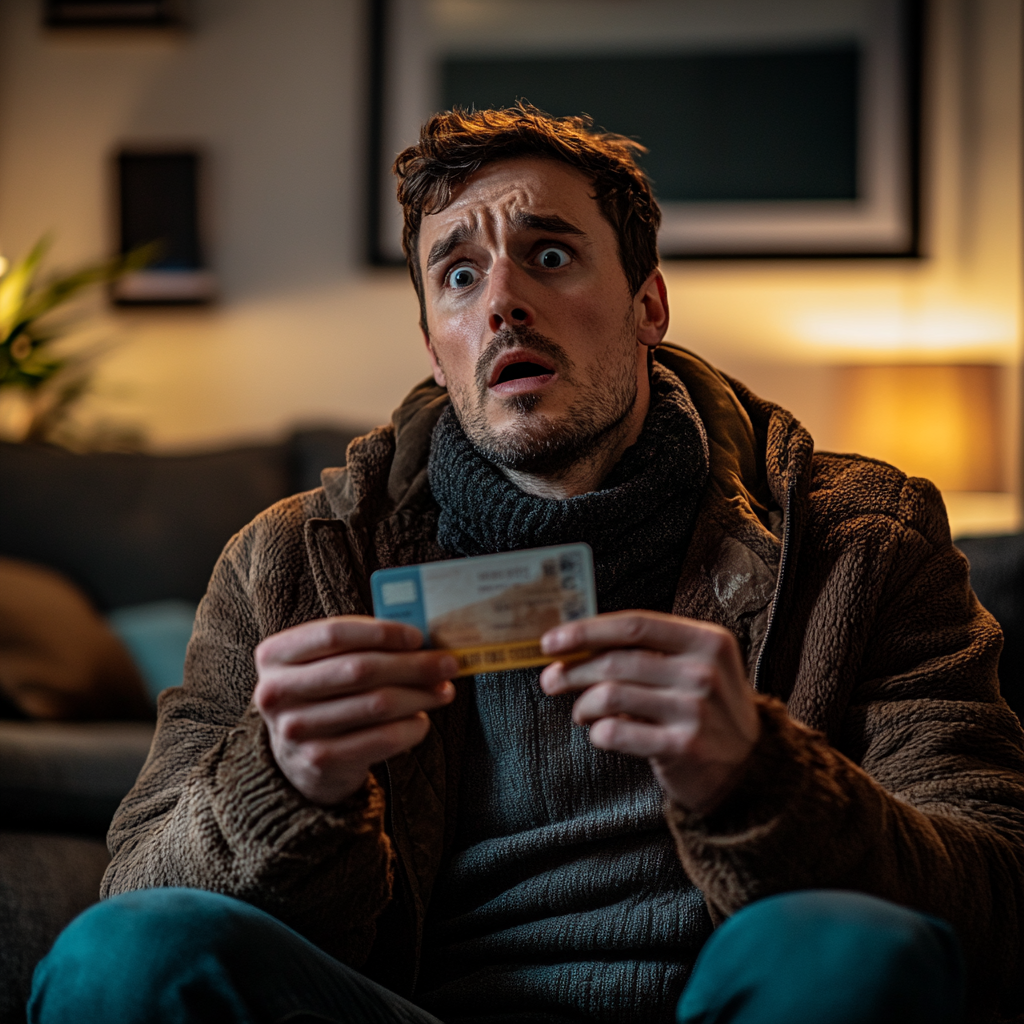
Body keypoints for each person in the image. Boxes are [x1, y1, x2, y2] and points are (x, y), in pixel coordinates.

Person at [30, 105, 1024, 1024]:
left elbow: (991, 895)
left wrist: (762, 779)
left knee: (846, 944)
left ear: (648, 305)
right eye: (458, 274)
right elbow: (134, 890)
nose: (501, 299)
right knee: (126, 951)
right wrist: (283, 783)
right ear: (433, 344)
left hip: (728, 999)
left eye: (549, 254)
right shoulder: (285, 562)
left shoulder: (864, 536)